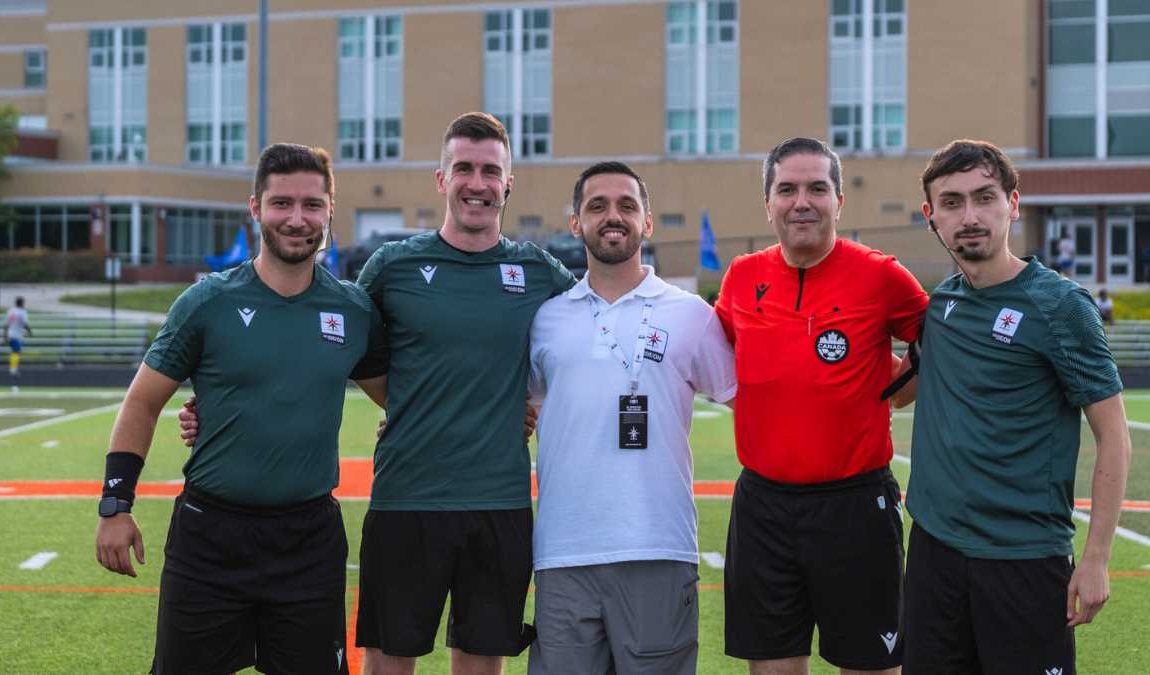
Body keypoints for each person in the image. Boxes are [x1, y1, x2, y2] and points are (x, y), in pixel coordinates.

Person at [94, 142, 388, 675]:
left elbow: (403, 398)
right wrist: (116, 506)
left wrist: (507, 410)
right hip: (210, 539)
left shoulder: (353, 309)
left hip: (308, 541)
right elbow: (141, 402)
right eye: (281, 204)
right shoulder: (207, 302)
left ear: (329, 211)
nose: (297, 219)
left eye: (312, 205)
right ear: (255, 208)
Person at [353, 112, 575, 675]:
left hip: (498, 503)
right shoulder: (393, 266)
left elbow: (595, 335)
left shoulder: (538, 271)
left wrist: (529, 404)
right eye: (464, 168)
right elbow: (328, 341)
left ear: (508, 184)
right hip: (406, 499)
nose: (477, 183)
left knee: (480, 664)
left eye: (490, 171)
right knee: (387, 663)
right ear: (441, 178)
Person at [904, 140, 1130, 674]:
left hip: (1024, 558)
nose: (970, 216)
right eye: (953, 202)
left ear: (1013, 203)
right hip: (935, 553)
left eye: (985, 197)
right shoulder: (942, 304)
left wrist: (1096, 559)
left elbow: (1115, 436)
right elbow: (902, 385)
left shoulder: (1061, 307)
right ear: (930, 216)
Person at [714, 137, 927, 674]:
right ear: (768, 203)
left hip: (855, 505)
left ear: (839, 201)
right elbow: (712, 350)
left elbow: (940, 345)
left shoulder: (881, 275)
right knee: (772, 667)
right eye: (786, 189)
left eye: (816, 188)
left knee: (870, 666)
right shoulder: (742, 276)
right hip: (763, 506)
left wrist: (895, 390)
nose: (801, 201)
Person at [526, 161, 737, 674]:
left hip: (658, 549)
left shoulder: (691, 315)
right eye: (596, 206)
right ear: (575, 223)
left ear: (647, 221)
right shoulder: (545, 318)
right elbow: (514, 410)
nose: (612, 216)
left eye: (627, 205)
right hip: (562, 553)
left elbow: (747, 399)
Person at [5, 295, 32, 391]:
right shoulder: (22, 312)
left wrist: (5, 335)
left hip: (10, 334)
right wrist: (29, 331)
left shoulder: (11, 311)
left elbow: (6, 324)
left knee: (15, 351)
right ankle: (13, 368)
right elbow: (25, 323)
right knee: (16, 351)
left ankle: (14, 366)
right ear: (22, 303)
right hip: (17, 336)